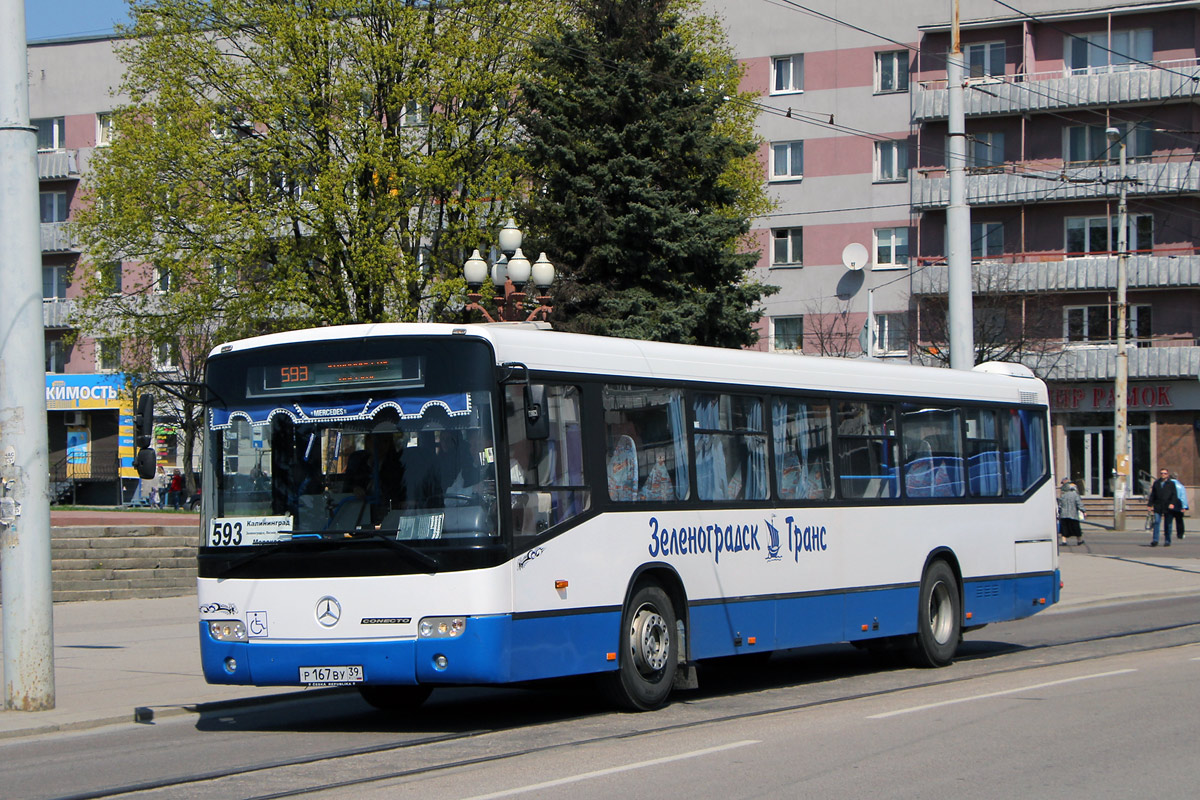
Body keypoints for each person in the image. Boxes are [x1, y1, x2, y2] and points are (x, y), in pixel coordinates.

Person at [1147, 467, 1179, 547]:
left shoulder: (1171, 484)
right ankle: (1155, 540)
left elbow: (1174, 495)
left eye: (1164, 473)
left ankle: (1167, 540)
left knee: (1168, 524)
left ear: (1167, 475)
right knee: (1157, 522)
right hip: (1158, 506)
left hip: (1168, 507)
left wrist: (1172, 503)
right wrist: (1150, 504)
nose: (1163, 475)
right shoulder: (1157, 483)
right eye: (1161, 473)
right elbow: (1153, 495)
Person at [1057, 478, 1085, 546]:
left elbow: (1060, 505)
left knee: (1064, 528)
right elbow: (1079, 503)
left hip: (1064, 515)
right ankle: (1079, 540)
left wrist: (1059, 512)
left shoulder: (1063, 496)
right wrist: (1083, 510)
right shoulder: (1075, 495)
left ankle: (1064, 541)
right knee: (1076, 528)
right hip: (1073, 515)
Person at [1169, 472, 1188, 541]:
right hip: (1178, 504)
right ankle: (1180, 534)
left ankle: (1168, 533)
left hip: (1170, 503)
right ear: (1177, 477)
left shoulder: (1168, 484)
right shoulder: (1180, 485)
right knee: (1179, 520)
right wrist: (1184, 506)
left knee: (1169, 520)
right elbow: (1183, 497)